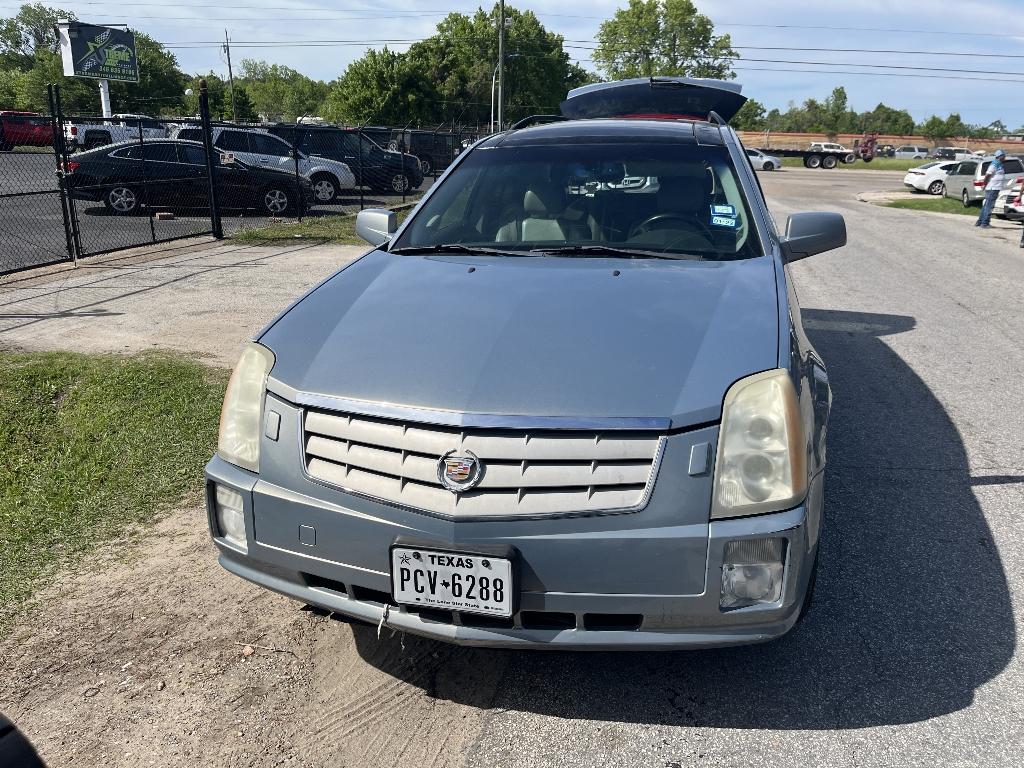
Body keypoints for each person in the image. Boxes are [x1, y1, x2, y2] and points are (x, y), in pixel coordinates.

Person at [976, 149, 1006, 228]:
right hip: (992, 188)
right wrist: (984, 184)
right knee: (989, 206)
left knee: (986, 205)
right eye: (1004, 156)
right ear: (1000, 156)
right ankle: (985, 223)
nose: (1005, 157)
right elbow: (987, 175)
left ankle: (980, 221)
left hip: (995, 187)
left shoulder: (999, 164)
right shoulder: (994, 164)